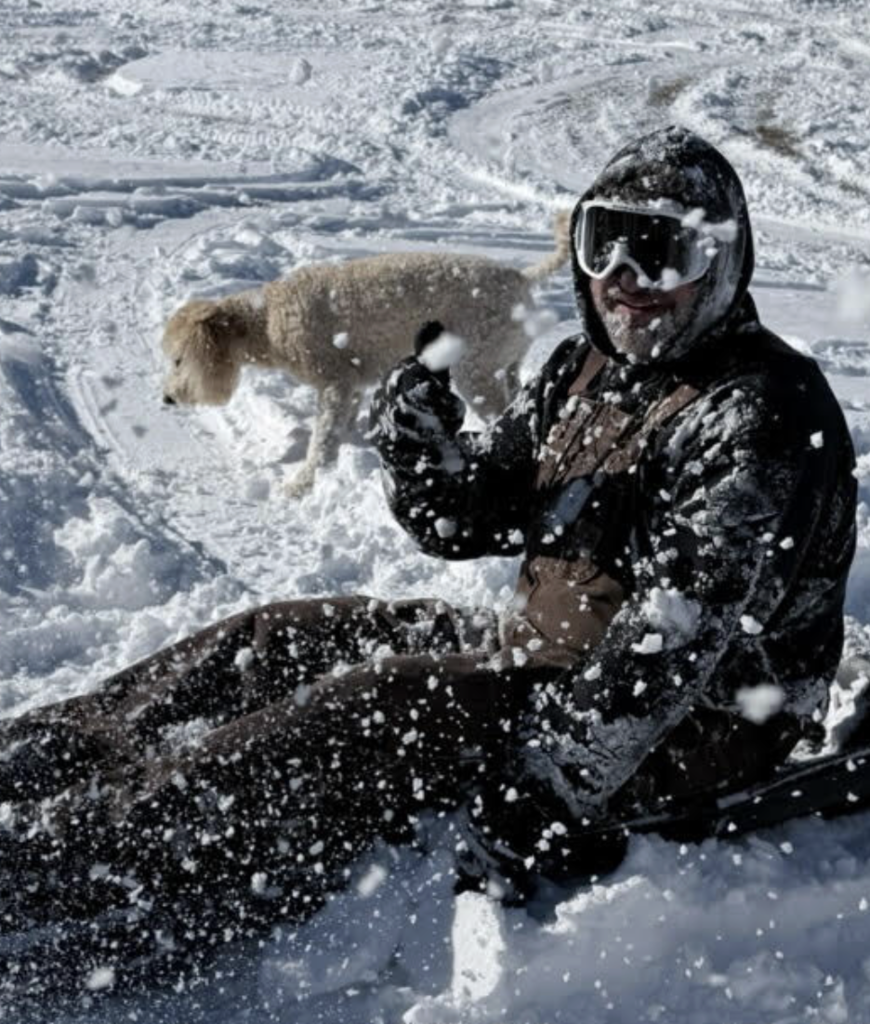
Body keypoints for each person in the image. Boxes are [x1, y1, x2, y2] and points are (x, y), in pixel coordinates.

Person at [0, 126, 856, 1009]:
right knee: (278, 638)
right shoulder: (584, 368)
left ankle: (73, 860)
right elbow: (478, 514)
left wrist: (549, 781)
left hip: (690, 724)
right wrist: (427, 460)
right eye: (606, 242)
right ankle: (49, 754)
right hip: (547, 656)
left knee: (366, 705)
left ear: (719, 261)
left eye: (663, 251)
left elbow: (674, 642)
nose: (626, 280)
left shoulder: (759, 416)